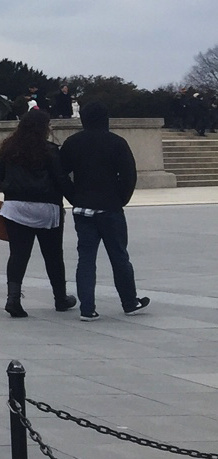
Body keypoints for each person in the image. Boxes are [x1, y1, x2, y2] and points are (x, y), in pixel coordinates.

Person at [60, 103, 150, 319]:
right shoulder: (117, 142)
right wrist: (120, 199)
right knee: (119, 256)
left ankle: (87, 308)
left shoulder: (73, 142)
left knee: (86, 259)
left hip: (83, 208)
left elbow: (60, 174)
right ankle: (130, 302)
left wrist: (74, 196)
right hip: (110, 208)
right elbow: (129, 175)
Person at [0, 109, 76, 317]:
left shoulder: (9, 149)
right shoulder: (50, 150)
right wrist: (77, 200)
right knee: (53, 255)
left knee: (18, 255)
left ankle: (13, 298)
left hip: (15, 208)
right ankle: (60, 298)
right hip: (46, 208)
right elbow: (61, 179)